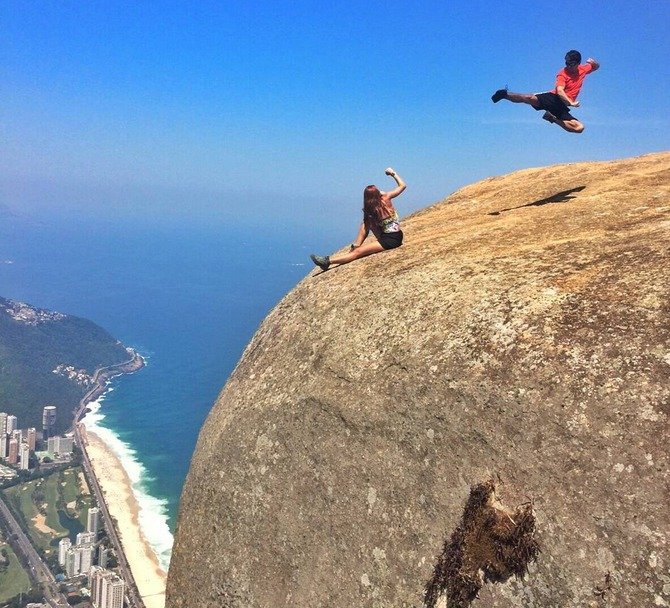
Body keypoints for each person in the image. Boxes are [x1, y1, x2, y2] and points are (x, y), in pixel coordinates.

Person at [310, 168, 406, 271]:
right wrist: (393, 174)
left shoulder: (371, 209)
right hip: (393, 234)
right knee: (365, 223)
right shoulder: (386, 198)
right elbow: (402, 186)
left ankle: (328, 261)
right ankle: (356, 246)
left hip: (392, 240)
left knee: (358, 252)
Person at [491, 50, 600, 133]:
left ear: (577, 63)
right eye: (566, 63)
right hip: (554, 98)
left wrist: (593, 63)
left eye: (570, 64)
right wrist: (570, 102)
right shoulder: (563, 73)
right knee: (529, 98)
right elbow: (560, 90)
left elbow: (595, 67)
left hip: (561, 107)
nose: (567, 66)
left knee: (579, 128)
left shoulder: (583, 69)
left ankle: (551, 118)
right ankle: (504, 94)